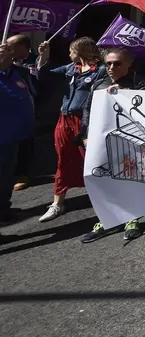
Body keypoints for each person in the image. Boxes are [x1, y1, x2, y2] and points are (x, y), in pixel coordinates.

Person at [35, 37, 106, 223]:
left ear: (81, 51)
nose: (69, 54)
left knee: (91, 159)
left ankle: (106, 201)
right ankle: (58, 203)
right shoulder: (70, 68)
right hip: (64, 120)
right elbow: (44, 75)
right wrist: (44, 56)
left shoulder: (100, 71)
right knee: (63, 158)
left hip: (85, 122)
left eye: (71, 51)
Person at [81, 48, 144, 243]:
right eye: (107, 63)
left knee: (130, 178)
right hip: (100, 141)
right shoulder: (98, 84)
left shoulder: (139, 83)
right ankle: (106, 219)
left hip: (130, 141)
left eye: (116, 63)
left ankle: (132, 218)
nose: (111, 67)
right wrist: (85, 136)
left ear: (128, 64)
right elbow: (87, 110)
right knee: (101, 179)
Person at [0, 41, 35, 227]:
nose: (6, 52)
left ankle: (3, 209)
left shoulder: (16, 72)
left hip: (14, 136)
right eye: (4, 50)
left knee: (6, 177)